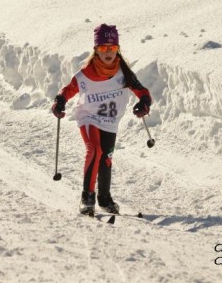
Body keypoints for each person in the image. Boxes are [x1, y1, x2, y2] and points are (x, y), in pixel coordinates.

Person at [51, 24, 152, 216]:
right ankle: (87, 197)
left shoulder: (124, 73)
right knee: (95, 150)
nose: (108, 52)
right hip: (88, 117)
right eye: (104, 48)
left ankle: (104, 198)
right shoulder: (86, 73)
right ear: (96, 50)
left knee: (106, 159)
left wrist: (144, 102)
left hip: (110, 121)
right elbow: (68, 89)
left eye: (112, 48)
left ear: (118, 49)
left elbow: (142, 91)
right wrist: (60, 101)